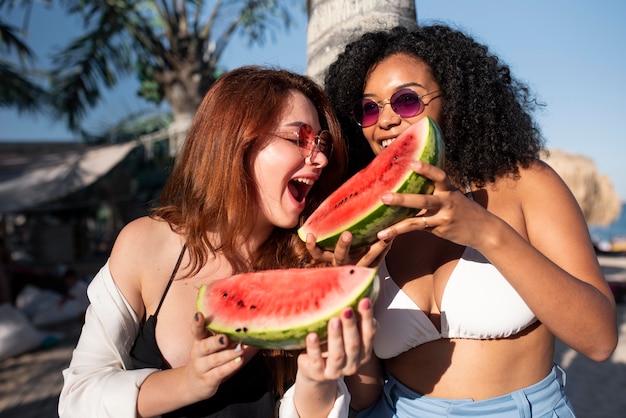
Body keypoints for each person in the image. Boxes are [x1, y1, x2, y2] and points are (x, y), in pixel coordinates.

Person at [314, 24, 619, 417]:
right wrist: (347, 298)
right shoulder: (368, 224)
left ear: (455, 102)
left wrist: (486, 232)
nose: (385, 120)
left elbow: (599, 339)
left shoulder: (526, 183)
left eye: (406, 100)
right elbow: (364, 393)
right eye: (369, 108)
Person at [59, 66, 377, 418]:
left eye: (321, 143)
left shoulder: (310, 262)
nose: (318, 158)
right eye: (300, 137)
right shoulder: (144, 245)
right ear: (236, 138)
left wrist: (318, 381)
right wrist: (188, 383)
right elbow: (78, 399)